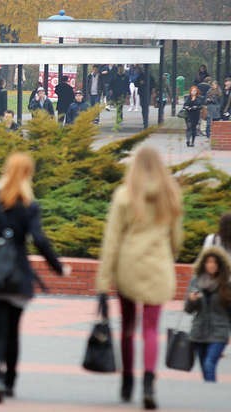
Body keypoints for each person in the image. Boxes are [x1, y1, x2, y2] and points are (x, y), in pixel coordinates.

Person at [0, 152, 70, 404]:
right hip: (17, 275)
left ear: (5, 169)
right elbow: (39, 240)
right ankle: (9, 382)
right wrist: (58, 268)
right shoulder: (29, 205)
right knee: (12, 331)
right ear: (29, 174)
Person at [96, 146, 183, 410]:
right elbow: (177, 239)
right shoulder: (170, 195)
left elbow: (112, 240)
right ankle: (148, 383)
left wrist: (102, 280)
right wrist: (167, 254)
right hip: (158, 266)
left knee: (128, 327)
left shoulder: (125, 195)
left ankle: (127, 381)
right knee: (150, 328)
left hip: (128, 266)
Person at [184, 247, 231, 382]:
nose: (211, 265)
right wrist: (191, 301)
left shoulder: (226, 284)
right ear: (203, 264)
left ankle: (213, 393)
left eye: (215, 262)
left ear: (220, 265)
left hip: (219, 332)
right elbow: (188, 310)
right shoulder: (196, 281)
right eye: (208, 262)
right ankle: (211, 393)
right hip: (199, 332)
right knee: (205, 368)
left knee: (209, 363)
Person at [110, 65, 130, 129]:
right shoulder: (114, 76)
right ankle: (119, 118)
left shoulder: (126, 77)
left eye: (122, 68)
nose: (121, 69)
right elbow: (111, 84)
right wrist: (110, 90)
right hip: (115, 94)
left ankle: (119, 119)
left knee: (120, 106)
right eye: (119, 68)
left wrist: (128, 93)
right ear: (118, 69)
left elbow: (127, 85)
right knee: (118, 106)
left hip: (122, 94)